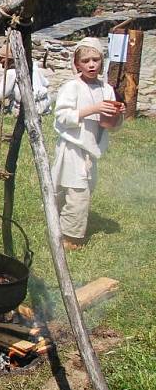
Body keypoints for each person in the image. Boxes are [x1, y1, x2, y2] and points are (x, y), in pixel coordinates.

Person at [51, 37, 123, 251]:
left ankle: (56, 220)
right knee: (78, 193)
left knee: (79, 190)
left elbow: (111, 124)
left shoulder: (106, 89)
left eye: (96, 60)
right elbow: (62, 117)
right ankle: (70, 237)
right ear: (77, 64)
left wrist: (116, 117)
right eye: (86, 61)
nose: (91, 65)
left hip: (91, 148)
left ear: (102, 61)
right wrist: (94, 109)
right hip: (73, 147)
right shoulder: (72, 87)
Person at [0, 43, 51, 115]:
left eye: (2, 60)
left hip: (29, 109)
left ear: (10, 60)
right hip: (44, 106)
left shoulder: (12, 72)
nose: (1, 64)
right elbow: (46, 83)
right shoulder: (33, 66)